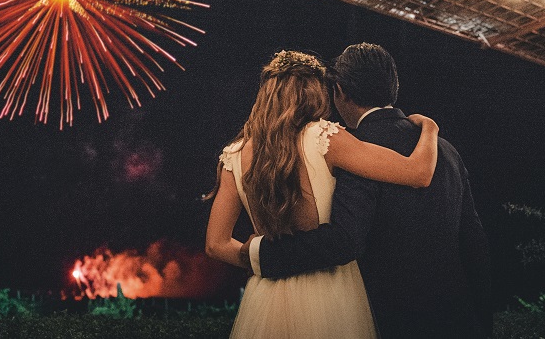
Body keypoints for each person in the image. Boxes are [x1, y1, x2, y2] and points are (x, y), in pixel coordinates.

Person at [241, 43, 492, 338]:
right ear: (393, 87)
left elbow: (344, 240)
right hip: (458, 319)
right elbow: (474, 241)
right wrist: (482, 324)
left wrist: (261, 253)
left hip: (387, 319)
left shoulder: (351, 148)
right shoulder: (445, 151)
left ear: (340, 91)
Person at [205, 49, 440, 339]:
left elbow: (215, 245)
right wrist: (430, 128)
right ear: (316, 92)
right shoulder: (325, 137)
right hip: (330, 289)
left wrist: (260, 257)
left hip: (265, 294)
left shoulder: (235, 155)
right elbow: (418, 173)